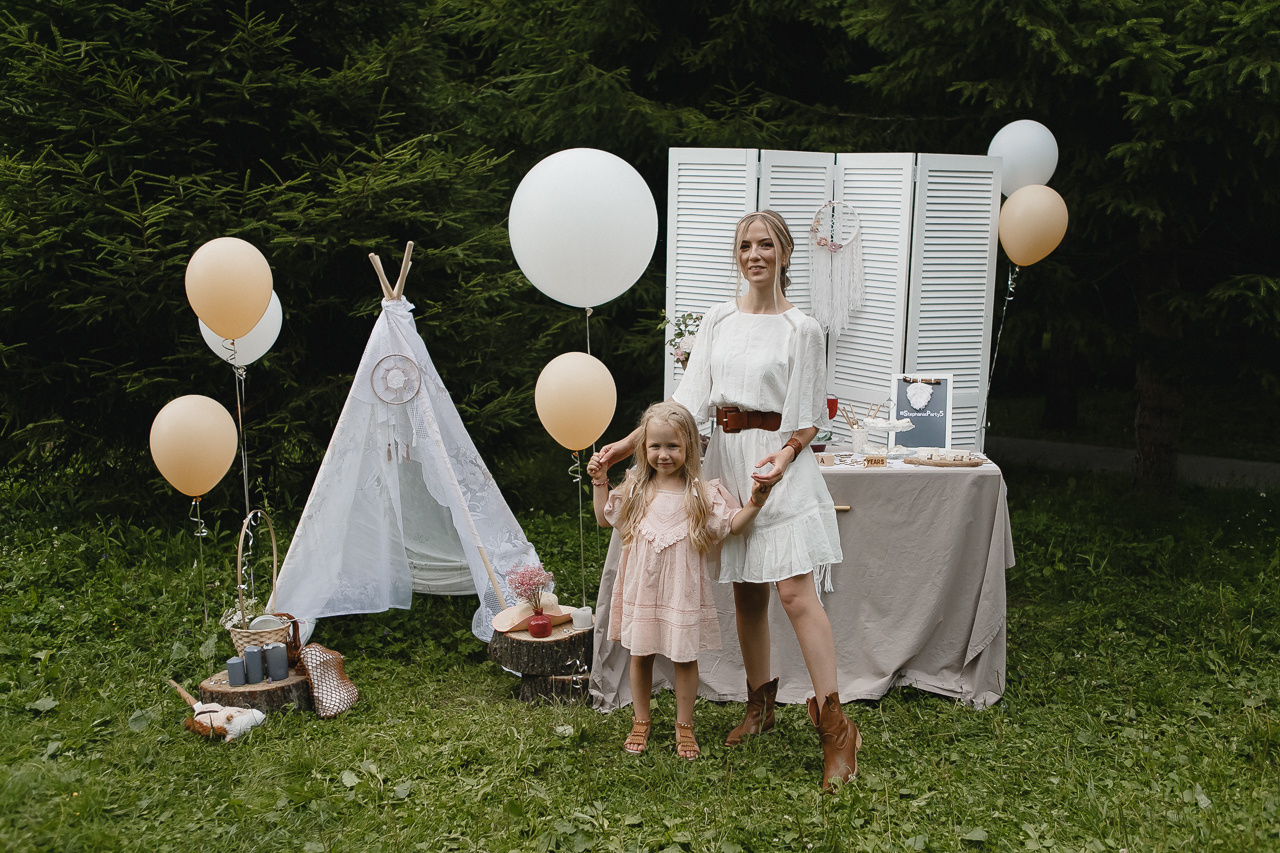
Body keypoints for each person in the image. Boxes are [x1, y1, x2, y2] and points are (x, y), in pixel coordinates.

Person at [593, 210, 861, 788]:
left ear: (784, 253)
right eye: (745, 245)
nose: (754, 254)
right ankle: (758, 704)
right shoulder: (717, 320)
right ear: (737, 255)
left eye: (766, 244)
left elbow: (809, 417)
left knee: (794, 593)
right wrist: (623, 446)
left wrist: (782, 461)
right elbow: (685, 406)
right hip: (727, 461)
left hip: (778, 461)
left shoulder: (803, 330)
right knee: (746, 592)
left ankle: (836, 727)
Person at [587, 401, 769, 760]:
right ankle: (641, 721)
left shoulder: (701, 492)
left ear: (690, 448)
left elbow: (730, 525)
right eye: (655, 446)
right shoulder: (637, 486)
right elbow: (603, 519)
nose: (664, 454)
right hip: (643, 588)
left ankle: (684, 727)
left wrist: (756, 503)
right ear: (643, 448)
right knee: (640, 654)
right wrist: (599, 480)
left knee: (685, 658)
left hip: (680, 593)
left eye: (673, 446)